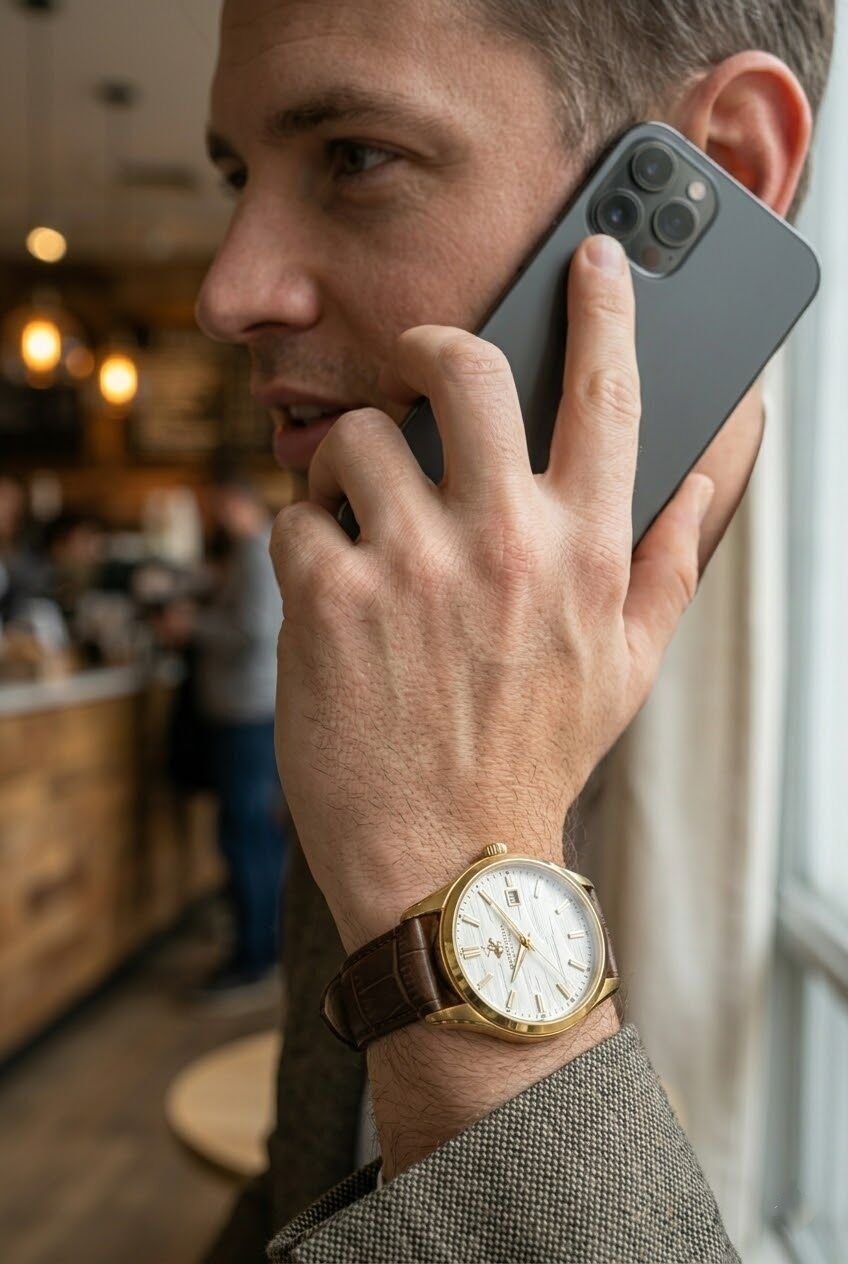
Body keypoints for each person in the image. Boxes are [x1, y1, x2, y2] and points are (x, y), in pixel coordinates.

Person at [195, 0, 835, 1258]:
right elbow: (303, 1176)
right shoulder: (385, 624)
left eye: (354, 157)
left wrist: (456, 897)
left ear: (726, 164)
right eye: (236, 176)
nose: (226, 291)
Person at [161, 471, 289, 995]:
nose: (213, 516)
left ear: (235, 502)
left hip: (245, 712)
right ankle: (263, 949)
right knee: (255, 833)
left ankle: (253, 957)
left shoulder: (255, 551)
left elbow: (252, 629)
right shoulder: (255, 551)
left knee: (244, 834)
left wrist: (190, 626)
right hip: (250, 710)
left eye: (216, 505)